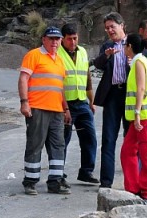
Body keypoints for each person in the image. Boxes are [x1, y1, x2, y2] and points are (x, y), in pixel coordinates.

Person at [18, 26, 71, 195]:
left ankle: (55, 183)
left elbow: (60, 88)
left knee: (58, 146)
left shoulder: (60, 61)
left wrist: (66, 108)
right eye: (51, 39)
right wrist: (24, 102)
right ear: (44, 39)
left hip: (56, 111)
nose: (55, 42)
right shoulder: (34, 55)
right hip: (38, 108)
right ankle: (30, 182)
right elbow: (23, 79)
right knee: (35, 145)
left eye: (58, 39)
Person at [120, 33, 147, 205]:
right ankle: (133, 189)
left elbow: (141, 89)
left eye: (125, 45)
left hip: (145, 116)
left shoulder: (139, 62)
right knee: (128, 151)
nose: (124, 48)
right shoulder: (140, 60)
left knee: (146, 153)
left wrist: (137, 114)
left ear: (129, 46)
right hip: (143, 116)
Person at [53, 23, 99, 185]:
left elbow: (86, 78)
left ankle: (86, 171)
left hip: (82, 103)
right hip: (65, 104)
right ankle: (59, 174)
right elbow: (57, 83)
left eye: (75, 38)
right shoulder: (57, 54)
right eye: (69, 39)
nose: (73, 42)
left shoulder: (83, 52)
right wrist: (64, 108)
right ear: (63, 39)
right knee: (63, 140)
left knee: (90, 138)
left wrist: (91, 101)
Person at [93, 12, 131, 189]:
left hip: (130, 96)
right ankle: (105, 183)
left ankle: (133, 181)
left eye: (112, 27)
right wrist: (106, 55)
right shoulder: (107, 45)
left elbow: (146, 62)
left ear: (122, 25)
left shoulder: (134, 42)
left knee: (131, 139)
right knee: (108, 139)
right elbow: (98, 64)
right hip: (112, 96)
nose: (109, 30)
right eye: (107, 28)